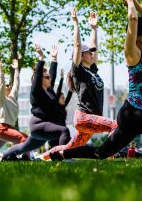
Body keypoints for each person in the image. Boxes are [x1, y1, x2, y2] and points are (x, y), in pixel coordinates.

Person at [49, 0, 142, 161]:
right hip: (132, 114)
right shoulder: (133, 53)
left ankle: (61, 154)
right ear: (138, 36)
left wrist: (135, 0)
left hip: (140, 115)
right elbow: (133, 20)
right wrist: (129, 2)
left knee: (101, 153)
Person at [40, 9, 117, 161]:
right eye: (88, 52)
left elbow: (94, 46)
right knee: (115, 125)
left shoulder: (93, 70)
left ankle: (42, 157)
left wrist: (94, 28)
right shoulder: (79, 71)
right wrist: (76, 24)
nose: (92, 54)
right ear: (81, 56)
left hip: (90, 119)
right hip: (84, 117)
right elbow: (77, 45)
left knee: (70, 147)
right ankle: (110, 156)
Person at [1, 45, 71, 161]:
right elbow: (37, 77)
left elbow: (52, 76)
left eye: (48, 77)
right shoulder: (36, 91)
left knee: (23, 147)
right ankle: (65, 158)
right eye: (46, 77)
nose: (50, 79)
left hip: (45, 126)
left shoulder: (49, 90)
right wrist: (41, 57)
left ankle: (5, 157)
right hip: (38, 125)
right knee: (64, 130)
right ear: (38, 80)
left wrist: (54, 59)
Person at [0, 58, 28, 154]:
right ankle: (26, 158)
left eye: (9, 85)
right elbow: (2, 84)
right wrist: (0, 69)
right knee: (23, 138)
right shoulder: (1, 100)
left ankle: (8, 156)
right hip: (1, 128)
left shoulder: (12, 97)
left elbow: (16, 83)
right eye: (7, 85)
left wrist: (16, 69)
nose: (9, 86)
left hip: (9, 129)